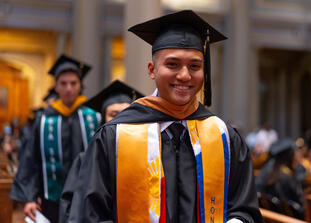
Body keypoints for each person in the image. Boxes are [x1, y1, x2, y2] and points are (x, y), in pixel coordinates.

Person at [67, 10, 262, 223]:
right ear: (152, 70)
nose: (185, 75)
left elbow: (245, 209)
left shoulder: (224, 136)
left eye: (195, 66)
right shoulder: (115, 136)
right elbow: (89, 215)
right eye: (172, 64)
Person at [9, 54, 101, 222]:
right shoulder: (44, 120)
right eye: (63, 83)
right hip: (51, 198)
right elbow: (31, 160)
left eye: (73, 83)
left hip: (86, 197)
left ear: (80, 86)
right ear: (55, 87)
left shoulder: (93, 118)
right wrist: (30, 197)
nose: (68, 88)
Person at [59, 80, 144, 223]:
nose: (120, 120)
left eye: (127, 113)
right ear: (103, 120)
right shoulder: (85, 159)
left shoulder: (147, 157)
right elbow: (70, 207)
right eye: (113, 114)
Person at [255, 139, 305, 219]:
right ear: (290, 156)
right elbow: (302, 206)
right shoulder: (286, 176)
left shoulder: (266, 171)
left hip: (269, 218)